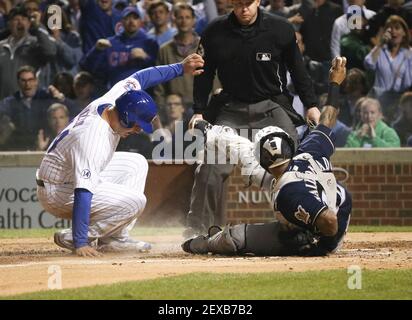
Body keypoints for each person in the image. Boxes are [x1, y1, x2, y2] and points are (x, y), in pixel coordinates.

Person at [36, 53, 204, 257]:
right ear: (125, 117)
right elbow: (83, 192)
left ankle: (115, 239)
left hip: (66, 176)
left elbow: (142, 78)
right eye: (136, 124)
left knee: (136, 163)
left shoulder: (116, 100)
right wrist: (81, 242)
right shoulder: (93, 137)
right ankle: (78, 237)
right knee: (136, 201)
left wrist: (179, 68)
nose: (138, 129)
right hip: (57, 191)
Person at [182, 57, 352, 256]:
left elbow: (330, 223)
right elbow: (327, 119)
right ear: (289, 145)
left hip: (319, 232)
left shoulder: (289, 192)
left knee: (235, 237)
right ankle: (207, 130)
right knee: (239, 148)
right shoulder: (310, 149)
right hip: (324, 193)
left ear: (262, 159)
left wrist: (315, 242)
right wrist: (335, 82)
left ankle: (201, 244)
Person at [184, 0, 320, 237]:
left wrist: (311, 104)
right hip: (231, 109)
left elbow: (298, 69)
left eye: (248, 3)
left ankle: (306, 222)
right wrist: (199, 109)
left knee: (296, 162)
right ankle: (200, 231)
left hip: (271, 107)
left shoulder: (280, 28)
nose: (243, 9)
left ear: (258, 1)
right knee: (210, 164)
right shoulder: (214, 31)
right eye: (237, 4)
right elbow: (203, 74)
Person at [80, 6, 159, 88]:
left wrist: (146, 57)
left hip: (143, 91)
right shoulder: (111, 43)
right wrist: (96, 50)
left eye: (135, 18)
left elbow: (159, 71)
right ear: (121, 22)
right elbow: (87, 67)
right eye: (127, 18)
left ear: (140, 22)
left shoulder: (149, 43)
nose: (131, 21)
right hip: (115, 93)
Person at [364, 15, 412, 122]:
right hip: (378, 103)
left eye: (397, 28)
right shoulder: (380, 51)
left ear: (404, 32)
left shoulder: (409, 54)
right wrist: (380, 44)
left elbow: (408, 82)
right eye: (390, 28)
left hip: (398, 105)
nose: (393, 31)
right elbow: (368, 64)